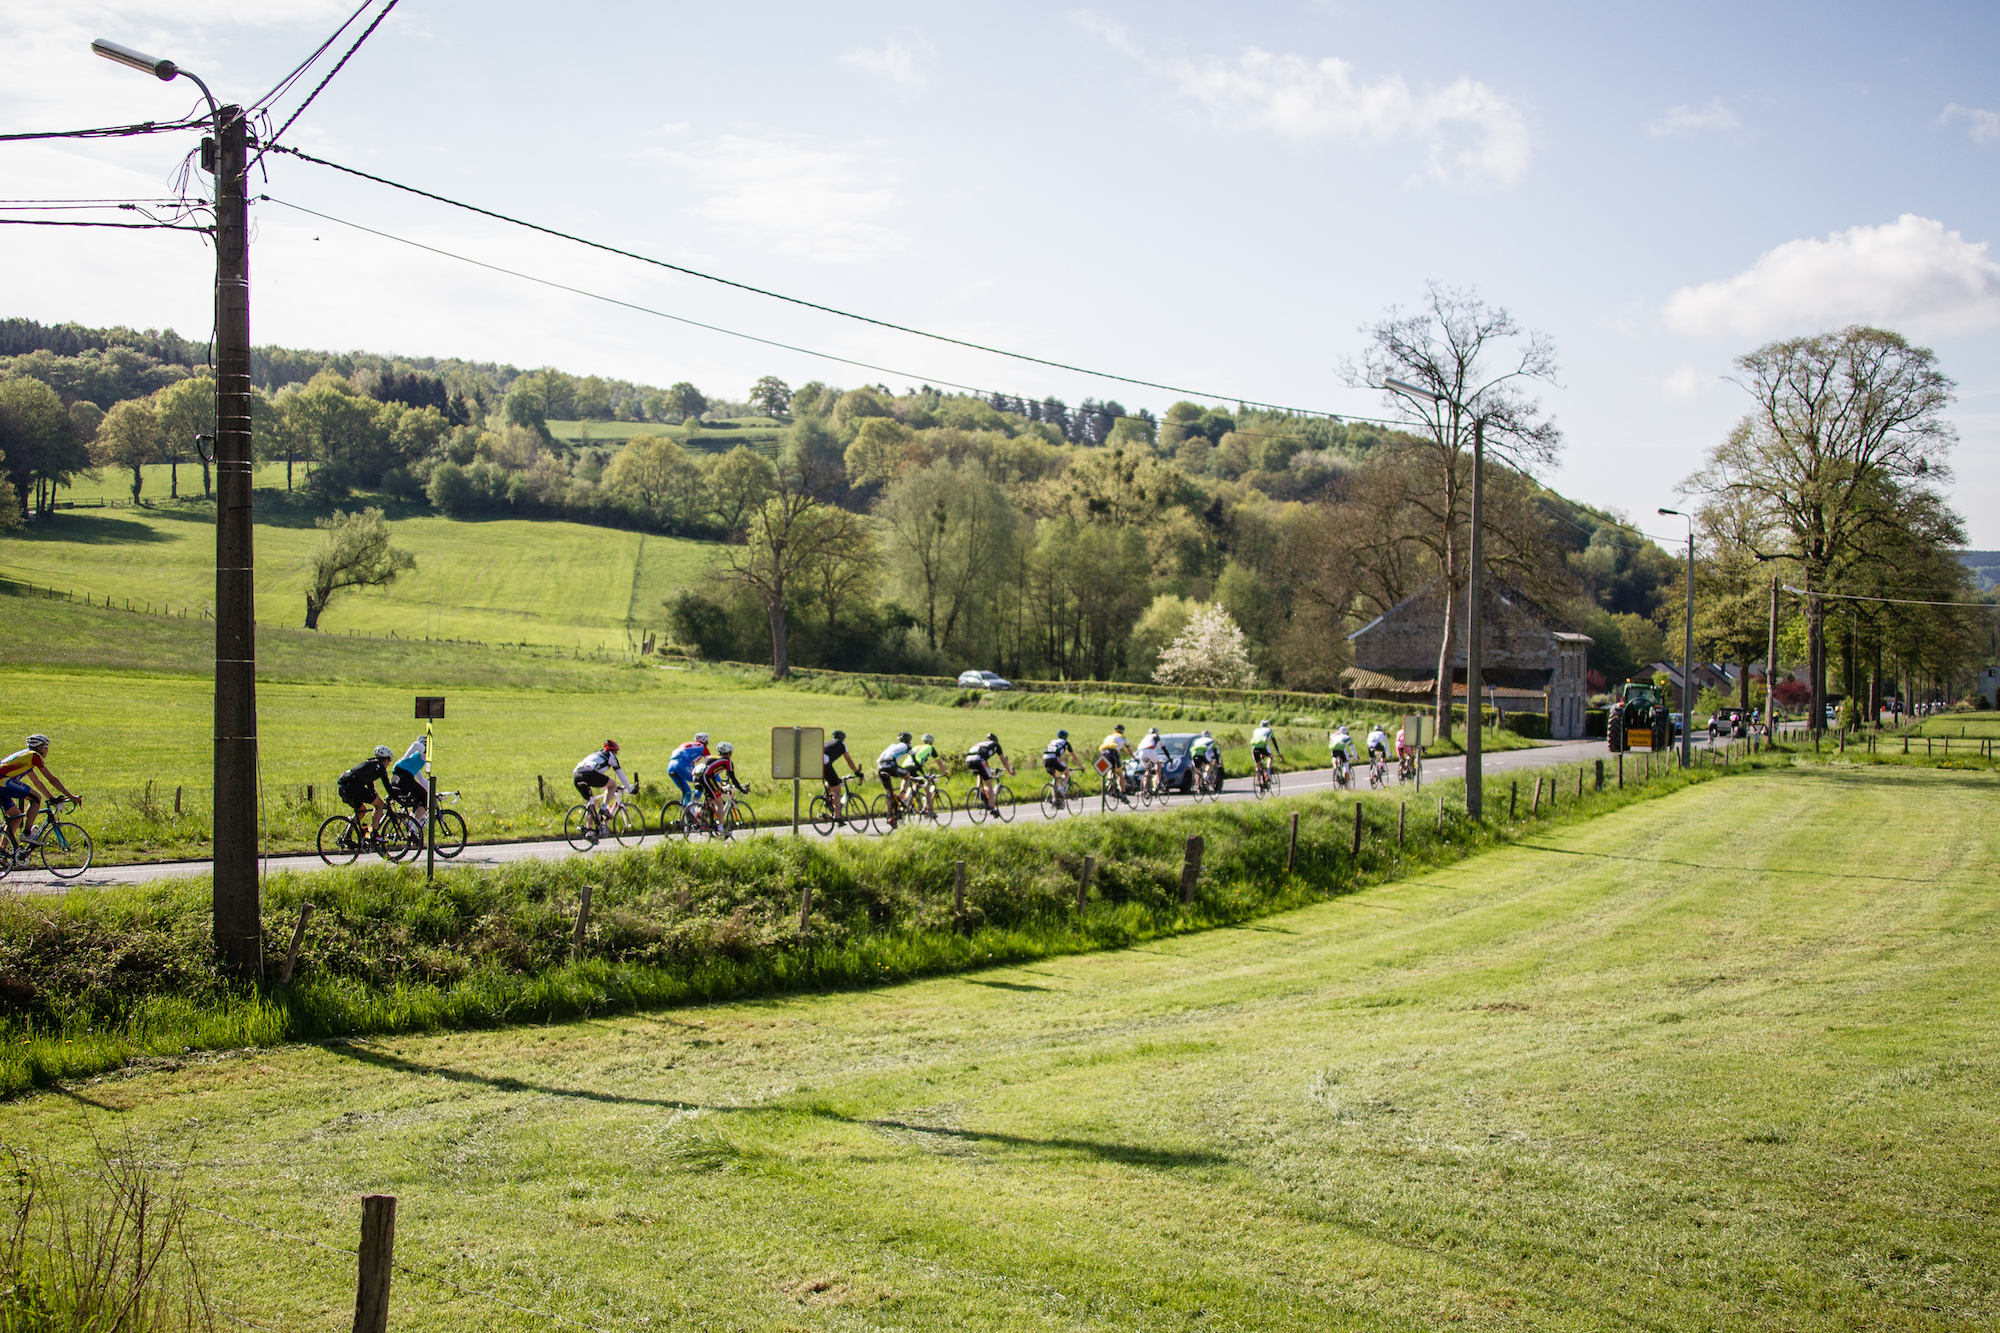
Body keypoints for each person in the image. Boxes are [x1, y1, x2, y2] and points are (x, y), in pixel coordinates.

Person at [0, 734, 77, 849]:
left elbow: (38, 783)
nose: (47, 750)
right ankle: (27, 833)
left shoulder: (26, 758)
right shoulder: (34, 756)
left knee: (16, 817)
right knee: (36, 798)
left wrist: (51, 798)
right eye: (46, 747)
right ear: (40, 747)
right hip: (2, 781)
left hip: (3, 783)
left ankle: (2, 852)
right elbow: (51, 779)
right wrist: (71, 797)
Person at [337, 745, 395, 842]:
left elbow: (369, 781)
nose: (388, 764)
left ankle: (347, 836)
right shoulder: (380, 767)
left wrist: (373, 792)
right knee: (380, 805)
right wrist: (398, 799)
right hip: (354, 787)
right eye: (389, 761)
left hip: (344, 787)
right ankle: (374, 834)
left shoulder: (370, 763)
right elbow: (387, 786)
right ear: (385, 760)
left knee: (362, 811)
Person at [573, 739, 627, 824]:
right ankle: (604, 808)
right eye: (616, 753)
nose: (616, 755)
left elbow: (599, 780)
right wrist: (630, 789)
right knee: (613, 785)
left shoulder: (596, 754)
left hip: (577, 775)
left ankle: (589, 831)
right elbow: (621, 775)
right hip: (589, 774)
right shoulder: (610, 756)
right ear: (613, 751)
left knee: (592, 804)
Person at [697, 740, 747, 824]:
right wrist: (741, 789)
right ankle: (720, 828)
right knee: (719, 802)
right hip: (706, 776)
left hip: (696, 775)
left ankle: (700, 816)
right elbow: (733, 778)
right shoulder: (727, 761)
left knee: (710, 798)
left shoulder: (713, 758)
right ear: (729, 753)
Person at [965, 731, 1013, 811]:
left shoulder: (982, 743)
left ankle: (978, 790)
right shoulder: (996, 745)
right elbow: (1003, 761)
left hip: (968, 759)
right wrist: (1010, 771)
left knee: (981, 773)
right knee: (989, 782)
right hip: (979, 759)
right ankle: (992, 808)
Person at [665, 732, 709, 812]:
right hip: (682, 764)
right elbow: (710, 765)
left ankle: (686, 815)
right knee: (701, 781)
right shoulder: (703, 748)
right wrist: (719, 781)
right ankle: (693, 805)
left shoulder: (688, 744)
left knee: (687, 792)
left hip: (671, 765)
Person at [822, 729, 860, 819]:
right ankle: (837, 816)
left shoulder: (828, 743)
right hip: (825, 763)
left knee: (831, 781)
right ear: (842, 738)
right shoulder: (841, 744)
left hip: (817, 763)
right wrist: (857, 772)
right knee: (837, 791)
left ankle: (827, 799)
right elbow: (849, 761)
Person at [876, 732, 914, 824]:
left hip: (880, 766)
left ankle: (891, 816)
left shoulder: (892, 746)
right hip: (891, 765)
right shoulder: (907, 746)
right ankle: (902, 795)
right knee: (907, 776)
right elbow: (915, 760)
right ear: (909, 741)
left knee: (890, 793)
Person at [898, 733, 940, 812]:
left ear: (922, 742)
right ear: (932, 742)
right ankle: (929, 809)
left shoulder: (916, 747)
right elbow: (939, 762)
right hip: (915, 767)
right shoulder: (930, 748)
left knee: (915, 782)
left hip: (904, 766)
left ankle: (908, 799)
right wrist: (945, 772)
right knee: (927, 785)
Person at [390, 735, 429, 808]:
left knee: (417, 798)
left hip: (396, 777)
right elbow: (416, 745)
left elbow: (421, 780)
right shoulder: (424, 752)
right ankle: (413, 819)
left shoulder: (413, 761)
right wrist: (405, 757)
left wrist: (431, 792)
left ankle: (411, 817)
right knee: (425, 799)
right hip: (405, 777)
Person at [1098, 725, 1131, 798]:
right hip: (1113, 751)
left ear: (1114, 731)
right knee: (1119, 773)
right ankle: (1123, 793)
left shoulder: (1108, 737)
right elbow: (1129, 751)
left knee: (1110, 767)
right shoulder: (1123, 738)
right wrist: (1134, 758)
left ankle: (1109, 781)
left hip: (1102, 751)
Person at [1042, 728, 1075, 796]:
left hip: (1045, 759)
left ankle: (1055, 799)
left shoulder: (1053, 741)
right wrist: (1081, 767)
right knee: (1066, 772)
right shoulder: (1065, 743)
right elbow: (1074, 757)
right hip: (1054, 758)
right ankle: (1061, 788)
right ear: (1066, 737)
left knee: (1055, 778)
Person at [1135, 726, 1167, 795]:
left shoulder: (1146, 737)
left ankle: (1145, 789)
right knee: (1157, 763)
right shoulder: (1157, 737)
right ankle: (1158, 782)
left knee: (1147, 770)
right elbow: (1165, 750)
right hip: (1150, 750)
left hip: (1141, 752)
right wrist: (1169, 759)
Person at [1250, 719, 1280, 783]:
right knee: (1271, 757)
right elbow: (1274, 743)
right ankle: (1268, 772)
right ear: (1268, 725)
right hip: (1263, 746)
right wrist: (1278, 752)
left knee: (1258, 765)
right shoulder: (1270, 731)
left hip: (1254, 747)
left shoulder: (1256, 730)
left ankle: (1258, 782)